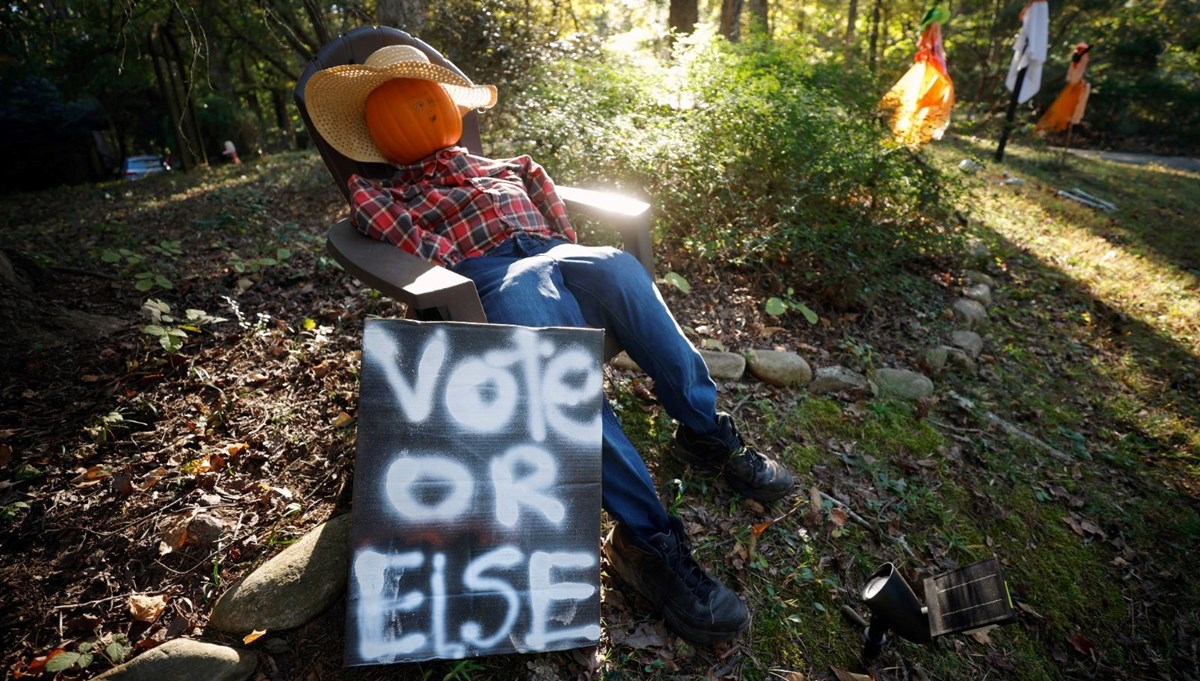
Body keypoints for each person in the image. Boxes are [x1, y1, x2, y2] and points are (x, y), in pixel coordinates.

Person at [305, 44, 795, 644]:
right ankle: (648, 542)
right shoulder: (384, 193)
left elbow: (561, 233)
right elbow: (413, 252)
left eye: (430, 98)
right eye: (403, 107)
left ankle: (705, 432)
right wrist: (475, 283)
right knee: (533, 309)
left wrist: (563, 267)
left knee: (617, 264)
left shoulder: (513, 166)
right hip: (481, 279)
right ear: (376, 134)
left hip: (555, 257)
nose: (424, 112)